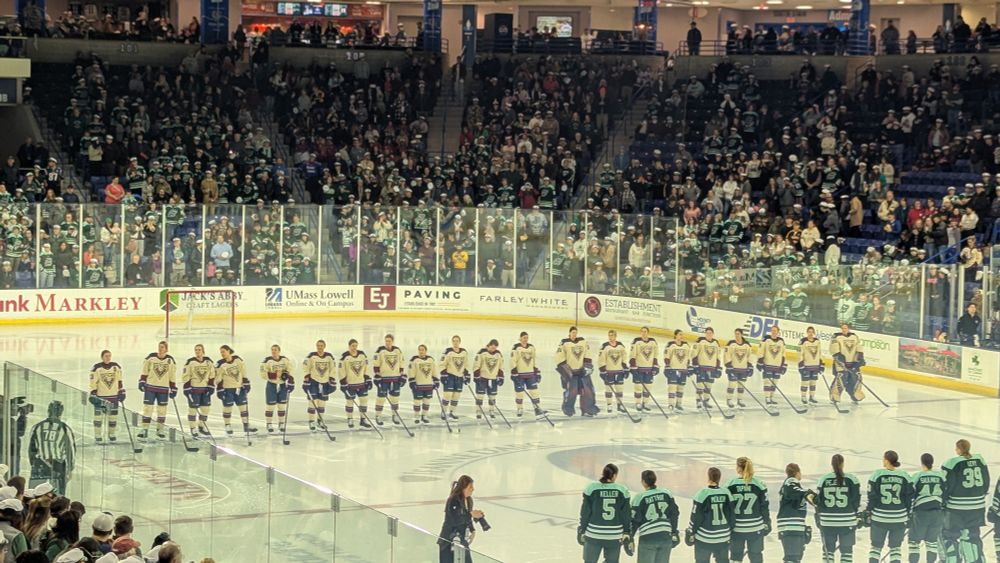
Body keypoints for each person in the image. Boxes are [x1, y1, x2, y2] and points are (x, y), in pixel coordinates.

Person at [941, 439, 989, 562]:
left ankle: (952, 560)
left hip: (956, 507)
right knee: (972, 535)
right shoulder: (980, 460)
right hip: (977, 506)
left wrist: (944, 501)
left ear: (958, 449)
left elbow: (947, 485)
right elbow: (986, 481)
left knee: (949, 535)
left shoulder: (952, 463)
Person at [865, 450, 914, 563]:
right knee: (895, 548)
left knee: (876, 547)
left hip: (879, 518)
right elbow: (909, 496)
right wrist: (906, 513)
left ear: (886, 460)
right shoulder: (904, 475)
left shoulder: (877, 475)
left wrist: (868, 511)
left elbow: (872, 496)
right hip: (899, 518)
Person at [579, 463, 630, 563]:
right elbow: (626, 514)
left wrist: (582, 529)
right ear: (614, 475)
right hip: (614, 535)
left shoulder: (592, 488)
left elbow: (585, 512)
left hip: (594, 534)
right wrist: (627, 532)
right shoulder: (622, 490)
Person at [815, 454, 861, 563]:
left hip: (827, 522)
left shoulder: (823, 479)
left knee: (828, 551)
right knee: (846, 552)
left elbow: (818, 502)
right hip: (847, 521)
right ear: (843, 464)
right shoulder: (852, 479)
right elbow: (856, 501)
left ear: (831, 464)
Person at [725, 457, 770, 563]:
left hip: (737, 528)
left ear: (738, 468)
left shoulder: (729, 484)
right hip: (756, 528)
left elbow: (726, 508)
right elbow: (764, 506)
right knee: (756, 556)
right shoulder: (759, 484)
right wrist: (767, 522)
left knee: (736, 557)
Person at [631, 469, 680, 563]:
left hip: (648, 538)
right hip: (665, 536)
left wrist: (630, 537)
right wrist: (674, 532)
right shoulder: (666, 493)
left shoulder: (639, 497)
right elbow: (674, 513)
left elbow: (635, 520)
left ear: (643, 482)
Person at [27, 402, 75, 495]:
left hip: (39, 463)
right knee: (57, 495)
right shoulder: (65, 428)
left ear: (48, 411)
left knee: (36, 493)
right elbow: (70, 451)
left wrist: (33, 463)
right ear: (61, 412)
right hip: (58, 465)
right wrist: (70, 469)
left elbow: (31, 449)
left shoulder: (37, 427)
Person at [687, 466, 733, 562]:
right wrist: (730, 530)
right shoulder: (726, 492)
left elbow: (696, 517)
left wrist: (691, 532)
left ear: (708, 477)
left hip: (705, 538)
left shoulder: (702, 494)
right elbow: (732, 515)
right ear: (719, 478)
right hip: (723, 537)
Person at [910, 453, 945, 563]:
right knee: (932, 542)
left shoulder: (917, 476)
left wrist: (909, 511)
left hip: (921, 512)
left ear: (922, 462)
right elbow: (946, 491)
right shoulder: (940, 476)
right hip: (937, 512)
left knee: (914, 542)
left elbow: (911, 494)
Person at [138, 341, 177, 440]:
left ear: (166, 349)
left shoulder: (170, 360)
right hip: (150, 387)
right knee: (148, 408)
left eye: (163, 347)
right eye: (159, 347)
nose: (160, 349)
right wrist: (142, 381)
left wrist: (173, 387)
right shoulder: (151, 358)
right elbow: (145, 370)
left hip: (163, 389)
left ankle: (160, 430)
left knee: (162, 410)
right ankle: (144, 429)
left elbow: (172, 375)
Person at [438, 475, 482, 563]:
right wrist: (471, 514)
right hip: (448, 540)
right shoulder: (453, 500)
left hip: (460, 539)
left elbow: (467, 518)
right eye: (470, 487)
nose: (473, 489)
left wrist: (472, 530)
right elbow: (454, 520)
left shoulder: (469, 500)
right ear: (463, 488)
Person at [215, 345, 256, 436]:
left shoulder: (237, 360)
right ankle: (227, 425)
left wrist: (246, 382)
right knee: (227, 408)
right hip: (227, 389)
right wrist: (219, 389)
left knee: (243, 407)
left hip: (239, 388)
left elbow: (243, 371)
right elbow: (218, 378)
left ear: (229, 351)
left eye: (223, 351)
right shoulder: (220, 364)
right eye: (221, 352)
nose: (222, 353)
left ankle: (246, 425)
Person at [556, 326, 598, 417]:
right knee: (572, 391)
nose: (574, 334)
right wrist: (565, 370)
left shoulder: (583, 342)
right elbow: (559, 357)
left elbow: (588, 353)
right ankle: (568, 408)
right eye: (572, 332)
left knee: (588, 390)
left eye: (575, 332)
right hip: (571, 372)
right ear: (569, 333)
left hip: (582, 371)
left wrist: (587, 366)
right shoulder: (564, 343)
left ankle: (588, 409)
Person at [778, 463, 814, 563]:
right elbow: (793, 491)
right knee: (792, 558)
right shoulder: (790, 483)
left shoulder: (790, 484)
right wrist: (807, 493)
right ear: (797, 473)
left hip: (791, 525)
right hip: (791, 525)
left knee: (795, 557)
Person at [88, 350, 124, 444]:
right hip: (101, 397)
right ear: (102, 357)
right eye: (106, 356)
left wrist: (121, 391)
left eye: (109, 356)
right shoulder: (97, 368)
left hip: (113, 396)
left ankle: (111, 434)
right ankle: (98, 435)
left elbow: (119, 381)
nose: (108, 358)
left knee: (113, 417)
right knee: (98, 417)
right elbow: (93, 382)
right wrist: (93, 393)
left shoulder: (116, 367)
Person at [302, 340, 336, 432]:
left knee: (322, 403)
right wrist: (306, 377)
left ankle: (320, 421)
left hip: (324, 382)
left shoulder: (329, 357)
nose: (319, 347)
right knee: (312, 402)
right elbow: (305, 367)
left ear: (324, 346)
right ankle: (311, 421)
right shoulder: (311, 356)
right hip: (313, 382)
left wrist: (332, 378)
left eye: (321, 346)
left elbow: (333, 368)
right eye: (318, 345)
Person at [259, 344, 294, 434]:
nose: (273, 351)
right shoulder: (267, 361)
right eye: (272, 350)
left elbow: (290, 370)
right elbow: (262, 374)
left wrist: (288, 378)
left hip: (282, 385)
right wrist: (274, 375)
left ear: (279, 351)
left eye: (275, 350)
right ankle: (269, 423)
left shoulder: (285, 360)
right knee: (270, 405)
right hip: (272, 384)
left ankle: (281, 423)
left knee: (282, 405)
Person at [181, 344, 215, 438]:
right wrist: (187, 388)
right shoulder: (190, 362)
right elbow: (185, 375)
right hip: (194, 390)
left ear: (203, 351)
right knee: (192, 410)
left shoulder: (208, 362)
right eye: (196, 350)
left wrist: (211, 386)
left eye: (199, 350)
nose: (197, 351)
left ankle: (201, 426)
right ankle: (193, 428)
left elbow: (212, 375)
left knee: (205, 409)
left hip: (205, 390)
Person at [373, 334, 406, 426]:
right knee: (381, 398)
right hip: (383, 379)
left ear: (392, 341)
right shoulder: (380, 350)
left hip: (395, 379)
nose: (387, 342)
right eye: (386, 341)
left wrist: (402, 375)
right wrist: (377, 376)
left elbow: (401, 363)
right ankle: (378, 416)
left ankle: (394, 415)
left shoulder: (397, 350)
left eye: (389, 341)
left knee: (395, 398)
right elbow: (376, 364)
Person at [510, 332, 545, 417]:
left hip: (530, 374)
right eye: (524, 337)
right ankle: (520, 408)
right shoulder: (516, 348)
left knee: (534, 392)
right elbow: (512, 361)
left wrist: (537, 372)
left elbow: (535, 360)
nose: (526, 339)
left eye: (527, 337)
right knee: (520, 393)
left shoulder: (531, 347)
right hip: (519, 375)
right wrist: (514, 372)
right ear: (520, 338)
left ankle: (537, 408)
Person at [828, 323, 865, 403]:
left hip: (853, 362)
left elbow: (859, 346)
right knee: (842, 378)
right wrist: (839, 357)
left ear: (848, 329)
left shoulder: (854, 336)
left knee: (856, 377)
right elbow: (833, 349)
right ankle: (834, 395)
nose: (844, 329)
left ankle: (854, 394)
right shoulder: (836, 337)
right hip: (840, 364)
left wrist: (860, 357)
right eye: (843, 328)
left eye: (846, 328)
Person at [340, 339, 372, 429]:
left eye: (356, 346)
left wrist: (368, 379)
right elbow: (341, 371)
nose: (354, 348)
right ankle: (350, 419)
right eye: (352, 346)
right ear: (349, 346)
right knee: (350, 402)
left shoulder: (362, 355)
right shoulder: (344, 357)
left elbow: (366, 367)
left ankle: (363, 419)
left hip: (361, 383)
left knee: (364, 401)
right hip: (350, 384)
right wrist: (343, 383)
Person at [438, 336, 470, 421]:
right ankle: (444, 411)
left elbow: (466, 364)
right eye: (454, 341)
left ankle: (452, 412)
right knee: (447, 395)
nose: (455, 343)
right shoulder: (448, 351)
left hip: (459, 377)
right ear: (452, 342)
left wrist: (467, 374)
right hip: (450, 376)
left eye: (457, 341)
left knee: (456, 396)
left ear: (460, 342)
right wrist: (443, 375)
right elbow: (442, 363)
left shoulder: (464, 352)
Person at [598, 330, 629, 414]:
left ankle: (620, 405)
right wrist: (602, 370)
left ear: (615, 336)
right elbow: (601, 359)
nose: (610, 337)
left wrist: (626, 368)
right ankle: (609, 405)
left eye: (612, 335)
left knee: (619, 389)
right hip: (609, 371)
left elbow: (624, 357)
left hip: (619, 371)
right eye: (609, 335)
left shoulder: (620, 346)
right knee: (608, 389)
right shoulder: (604, 346)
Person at [629, 327, 660, 412]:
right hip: (638, 368)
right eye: (642, 331)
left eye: (645, 331)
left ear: (648, 332)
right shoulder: (636, 341)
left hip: (649, 369)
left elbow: (655, 355)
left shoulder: (653, 342)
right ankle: (638, 403)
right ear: (640, 333)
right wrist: (633, 367)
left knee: (647, 387)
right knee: (638, 387)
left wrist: (655, 366)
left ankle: (645, 403)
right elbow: (632, 355)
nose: (643, 333)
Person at [472, 339, 504, 420]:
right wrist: (476, 376)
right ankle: (478, 411)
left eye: (495, 347)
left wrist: (501, 377)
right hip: (482, 378)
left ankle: (491, 411)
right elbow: (476, 365)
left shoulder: (498, 354)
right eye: (492, 347)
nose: (493, 349)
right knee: (480, 396)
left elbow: (501, 367)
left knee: (492, 396)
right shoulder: (481, 353)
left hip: (493, 379)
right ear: (488, 345)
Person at [692, 327, 722, 411]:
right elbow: (694, 354)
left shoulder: (716, 343)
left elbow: (718, 356)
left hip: (712, 368)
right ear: (705, 333)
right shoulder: (700, 342)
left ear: (713, 334)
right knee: (700, 386)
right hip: (701, 367)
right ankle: (698, 401)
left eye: (710, 333)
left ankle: (706, 401)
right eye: (707, 333)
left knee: (709, 386)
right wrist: (695, 366)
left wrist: (718, 367)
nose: (709, 334)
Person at [724, 329, 755, 409]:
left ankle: (740, 400)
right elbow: (727, 355)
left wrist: (750, 366)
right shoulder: (731, 344)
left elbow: (750, 356)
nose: (736, 335)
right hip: (733, 368)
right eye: (736, 334)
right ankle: (729, 399)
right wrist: (728, 365)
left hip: (743, 368)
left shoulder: (747, 345)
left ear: (741, 334)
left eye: (738, 334)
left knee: (741, 385)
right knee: (732, 384)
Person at [408, 344, 438, 425]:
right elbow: (411, 371)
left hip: (428, 384)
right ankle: (417, 416)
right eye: (419, 350)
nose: (421, 351)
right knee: (417, 402)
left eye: (422, 350)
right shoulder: (414, 360)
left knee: (427, 401)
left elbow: (434, 371)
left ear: (425, 351)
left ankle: (424, 416)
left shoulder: (431, 360)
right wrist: (411, 381)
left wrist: (436, 380)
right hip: (418, 384)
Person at [757, 325, 787, 406]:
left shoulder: (781, 341)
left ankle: (771, 398)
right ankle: (767, 398)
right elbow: (761, 351)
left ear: (778, 332)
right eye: (772, 330)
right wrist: (760, 362)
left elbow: (783, 354)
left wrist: (784, 365)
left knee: (774, 383)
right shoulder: (766, 339)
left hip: (777, 366)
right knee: (767, 382)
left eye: (775, 331)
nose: (773, 332)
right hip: (767, 365)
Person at [663, 330, 692, 411]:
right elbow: (666, 356)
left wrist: (689, 366)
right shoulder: (670, 345)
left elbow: (688, 357)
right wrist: (667, 366)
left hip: (683, 370)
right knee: (672, 387)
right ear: (675, 335)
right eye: (680, 334)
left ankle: (678, 403)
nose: (681, 336)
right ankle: (671, 404)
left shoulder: (686, 345)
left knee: (680, 388)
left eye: (682, 334)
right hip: (673, 369)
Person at [797, 327, 823, 404]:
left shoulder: (817, 341)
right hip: (806, 366)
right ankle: (803, 397)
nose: (810, 333)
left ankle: (812, 397)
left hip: (815, 366)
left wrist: (821, 364)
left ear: (814, 333)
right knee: (805, 382)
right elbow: (799, 354)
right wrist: (801, 365)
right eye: (809, 332)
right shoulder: (803, 341)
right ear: (807, 332)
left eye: (812, 332)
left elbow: (819, 353)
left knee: (813, 382)